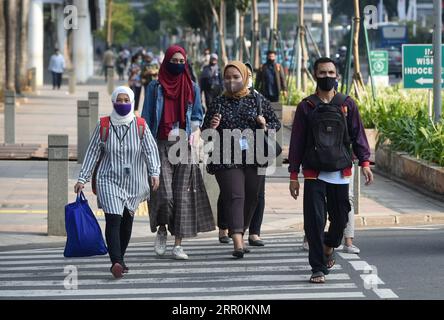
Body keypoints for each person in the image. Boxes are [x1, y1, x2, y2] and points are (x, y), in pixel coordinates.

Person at [288, 57, 373, 284]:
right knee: (314, 221)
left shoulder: (347, 104)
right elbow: (297, 142)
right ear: (315, 75)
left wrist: (365, 162)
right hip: (314, 172)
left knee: (340, 218)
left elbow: (358, 134)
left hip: (341, 171)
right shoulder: (306, 106)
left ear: (337, 75)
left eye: (331, 72)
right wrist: (293, 175)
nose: (327, 77)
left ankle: (329, 245)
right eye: (322, 73)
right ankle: (317, 267)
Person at [74, 86, 161, 279]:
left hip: (134, 182)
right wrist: (83, 178)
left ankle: (120, 258)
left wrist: (155, 173)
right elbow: (92, 152)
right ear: (113, 102)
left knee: (127, 221)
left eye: (126, 100)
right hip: (108, 179)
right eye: (118, 100)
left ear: (131, 102)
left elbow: (151, 151)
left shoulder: (140, 125)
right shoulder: (104, 125)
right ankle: (116, 261)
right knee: (113, 219)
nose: (122, 104)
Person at [141, 45, 215, 260]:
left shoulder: (192, 86)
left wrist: (195, 129)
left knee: (183, 196)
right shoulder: (155, 87)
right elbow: (146, 118)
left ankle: (178, 244)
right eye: (173, 61)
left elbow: (198, 114)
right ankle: (162, 228)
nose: (178, 65)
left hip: (184, 144)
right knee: (164, 194)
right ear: (166, 61)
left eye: (181, 61)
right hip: (160, 144)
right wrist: (145, 146)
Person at [202, 61, 281, 258]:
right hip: (226, 155)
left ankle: (241, 230)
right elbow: (205, 133)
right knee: (235, 195)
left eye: (236, 77)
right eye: (227, 77)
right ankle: (237, 240)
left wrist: (264, 125)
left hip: (254, 154)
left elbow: (275, 125)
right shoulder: (218, 102)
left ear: (245, 78)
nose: (231, 81)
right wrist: (212, 126)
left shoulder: (257, 99)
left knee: (252, 196)